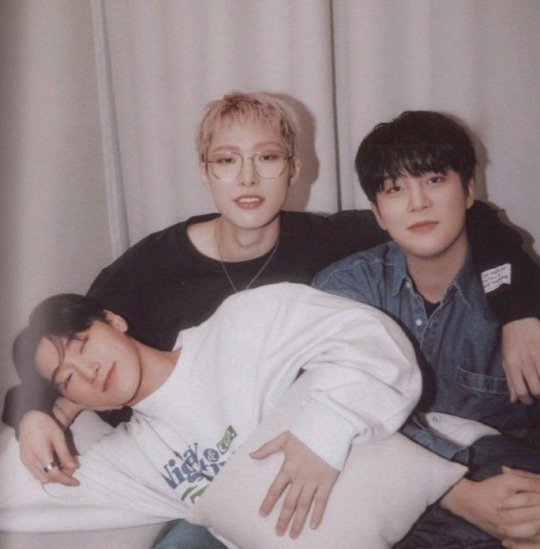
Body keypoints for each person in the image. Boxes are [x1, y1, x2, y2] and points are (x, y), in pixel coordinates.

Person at [4, 93, 540, 546]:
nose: (248, 178)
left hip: (354, 452)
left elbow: (452, 218)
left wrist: (518, 308)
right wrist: (31, 410)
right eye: (226, 160)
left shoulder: (328, 245)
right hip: (206, 481)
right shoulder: (147, 267)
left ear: (293, 169)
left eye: (267, 157)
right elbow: (60, 354)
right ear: (204, 172)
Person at [0, 283, 421, 545]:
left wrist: (322, 434)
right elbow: (11, 502)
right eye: (67, 378)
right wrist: (37, 417)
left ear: (113, 320)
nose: (89, 371)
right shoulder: (134, 461)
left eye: (82, 344)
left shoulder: (241, 324)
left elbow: (378, 342)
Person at [313, 110, 540, 548]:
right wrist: (455, 493)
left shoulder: (520, 300)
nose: (417, 203)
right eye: (395, 189)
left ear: (469, 191)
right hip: (382, 494)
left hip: (502, 496)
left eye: (434, 180)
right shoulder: (346, 291)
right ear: (377, 213)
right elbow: (333, 416)